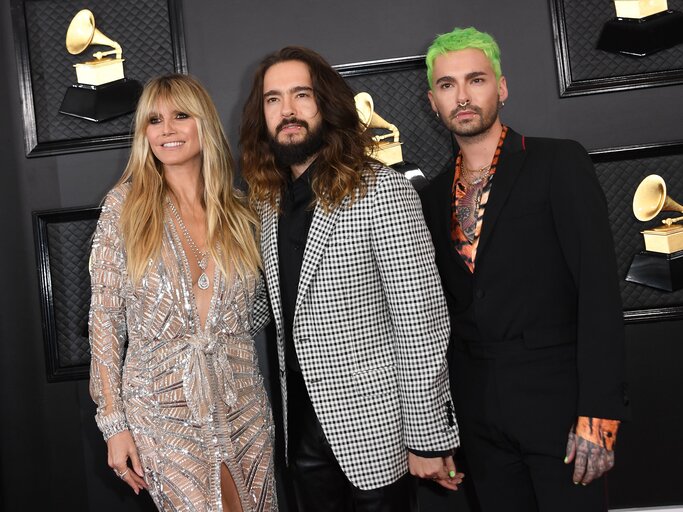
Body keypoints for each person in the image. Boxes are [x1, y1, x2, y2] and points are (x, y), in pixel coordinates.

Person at [238, 46, 461, 512]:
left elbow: (421, 322)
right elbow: (262, 309)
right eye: (274, 100)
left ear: (328, 103)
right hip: (297, 436)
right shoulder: (264, 204)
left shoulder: (382, 190)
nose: (289, 111)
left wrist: (425, 437)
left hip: (375, 437)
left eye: (302, 95)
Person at [419, 27, 630, 512]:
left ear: (502, 87)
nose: (463, 96)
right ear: (433, 101)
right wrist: (440, 428)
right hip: (479, 418)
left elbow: (598, 293)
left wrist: (599, 415)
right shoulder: (428, 199)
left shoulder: (558, 163)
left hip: (562, 410)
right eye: (448, 85)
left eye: (476, 79)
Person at [88, 74, 277, 512]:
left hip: (242, 402)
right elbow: (105, 321)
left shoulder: (241, 212)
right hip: (163, 408)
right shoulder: (125, 207)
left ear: (203, 124)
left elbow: (262, 313)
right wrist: (114, 424)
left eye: (180, 116)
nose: (167, 129)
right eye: (154, 120)